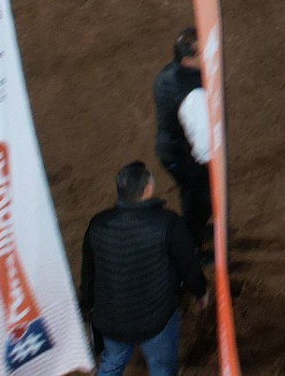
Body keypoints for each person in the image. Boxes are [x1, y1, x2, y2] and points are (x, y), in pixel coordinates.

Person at [78, 161, 207, 376]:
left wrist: (88, 305)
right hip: (154, 322)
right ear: (147, 189)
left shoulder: (97, 224)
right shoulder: (167, 223)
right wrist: (201, 291)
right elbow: (189, 265)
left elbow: (88, 274)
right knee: (162, 369)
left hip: (111, 320)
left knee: (112, 362)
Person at [152, 29, 213, 254]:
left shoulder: (170, 73)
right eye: (202, 53)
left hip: (174, 147)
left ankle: (194, 228)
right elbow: (203, 145)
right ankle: (191, 247)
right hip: (181, 154)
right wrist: (209, 162)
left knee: (192, 195)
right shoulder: (192, 95)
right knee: (200, 200)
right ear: (187, 59)